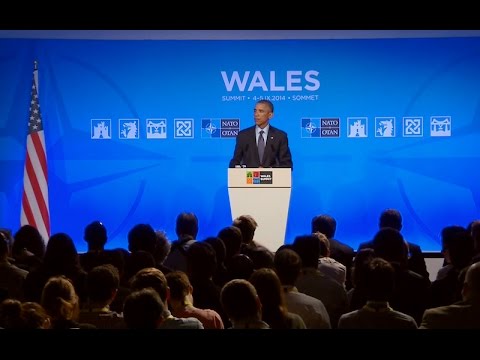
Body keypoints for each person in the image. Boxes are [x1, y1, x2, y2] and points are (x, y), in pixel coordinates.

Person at [229, 100, 293, 169]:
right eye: (255, 111)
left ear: (270, 115)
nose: (256, 114)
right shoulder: (243, 135)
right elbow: (235, 162)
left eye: (261, 111)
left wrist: (268, 171)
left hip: (272, 178)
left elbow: (286, 164)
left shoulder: (280, 136)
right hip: (248, 178)